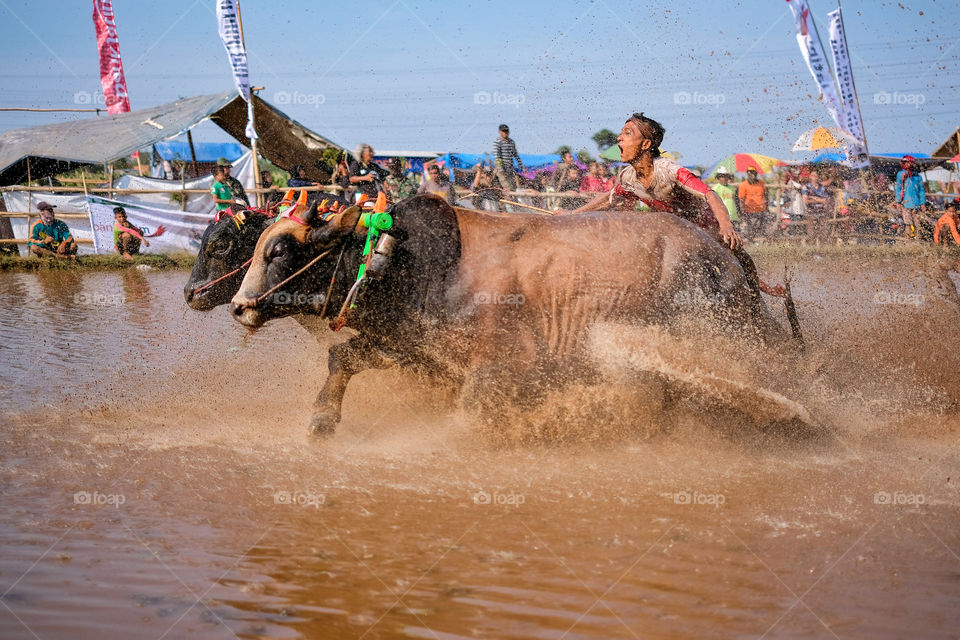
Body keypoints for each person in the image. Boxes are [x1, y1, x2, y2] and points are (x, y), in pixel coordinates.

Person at [558, 112, 783, 300]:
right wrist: (570, 215)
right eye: (621, 133)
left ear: (646, 144)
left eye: (627, 134)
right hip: (672, 234)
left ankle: (762, 290)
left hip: (704, 227)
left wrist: (726, 227)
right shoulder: (628, 177)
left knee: (737, 257)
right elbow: (608, 199)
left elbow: (710, 194)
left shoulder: (670, 171)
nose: (619, 139)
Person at [801, 170, 837, 244]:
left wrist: (813, 198)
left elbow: (826, 201)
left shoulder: (822, 188)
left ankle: (824, 248)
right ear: (810, 177)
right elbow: (805, 201)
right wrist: (819, 200)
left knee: (824, 232)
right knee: (811, 232)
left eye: (815, 176)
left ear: (818, 177)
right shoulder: (806, 187)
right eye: (812, 175)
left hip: (822, 211)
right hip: (811, 211)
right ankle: (811, 247)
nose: (813, 177)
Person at [895, 155, 926, 238]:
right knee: (907, 224)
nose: (907, 164)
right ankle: (908, 242)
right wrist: (898, 202)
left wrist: (922, 203)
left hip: (916, 204)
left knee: (918, 225)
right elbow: (898, 188)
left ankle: (918, 242)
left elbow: (921, 191)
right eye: (905, 162)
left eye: (909, 162)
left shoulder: (917, 177)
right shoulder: (900, 174)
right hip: (905, 204)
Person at [492, 124, 525, 195]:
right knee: (508, 189)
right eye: (503, 131)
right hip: (501, 170)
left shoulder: (512, 142)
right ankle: (509, 205)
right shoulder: (497, 141)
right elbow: (497, 156)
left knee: (514, 189)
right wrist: (501, 170)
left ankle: (513, 205)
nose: (505, 133)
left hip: (510, 169)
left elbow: (516, 155)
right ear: (500, 132)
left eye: (506, 131)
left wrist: (522, 166)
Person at [737, 166, 768, 240]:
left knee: (762, 229)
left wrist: (767, 208)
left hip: (761, 210)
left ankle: (761, 243)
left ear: (756, 173)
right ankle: (751, 242)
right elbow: (741, 199)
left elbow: (766, 196)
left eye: (753, 172)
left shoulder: (761, 183)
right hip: (749, 211)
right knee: (750, 230)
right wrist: (742, 211)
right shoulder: (743, 185)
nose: (751, 174)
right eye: (749, 173)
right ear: (747, 174)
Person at [712, 167, 741, 233]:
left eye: (726, 176)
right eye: (722, 176)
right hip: (723, 217)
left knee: (736, 235)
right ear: (718, 177)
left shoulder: (732, 188)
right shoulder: (715, 188)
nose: (724, 178)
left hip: (734, 216)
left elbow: (736, 202)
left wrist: (739, 212)